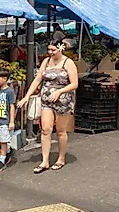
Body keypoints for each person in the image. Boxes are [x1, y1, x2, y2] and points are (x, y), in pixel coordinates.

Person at [17, 37, 79, 174]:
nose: (50, 52)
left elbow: (74, 84)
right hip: (46, 100)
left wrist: (59, 91)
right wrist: (27, 96)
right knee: (45, 129)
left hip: (63, 102)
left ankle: (61, 158)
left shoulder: (68, 63)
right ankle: (45, 161)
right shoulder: (46, 61)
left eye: (53, 50)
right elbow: (37, 80)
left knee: (61, 131)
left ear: (60, 48)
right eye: (49, 49)